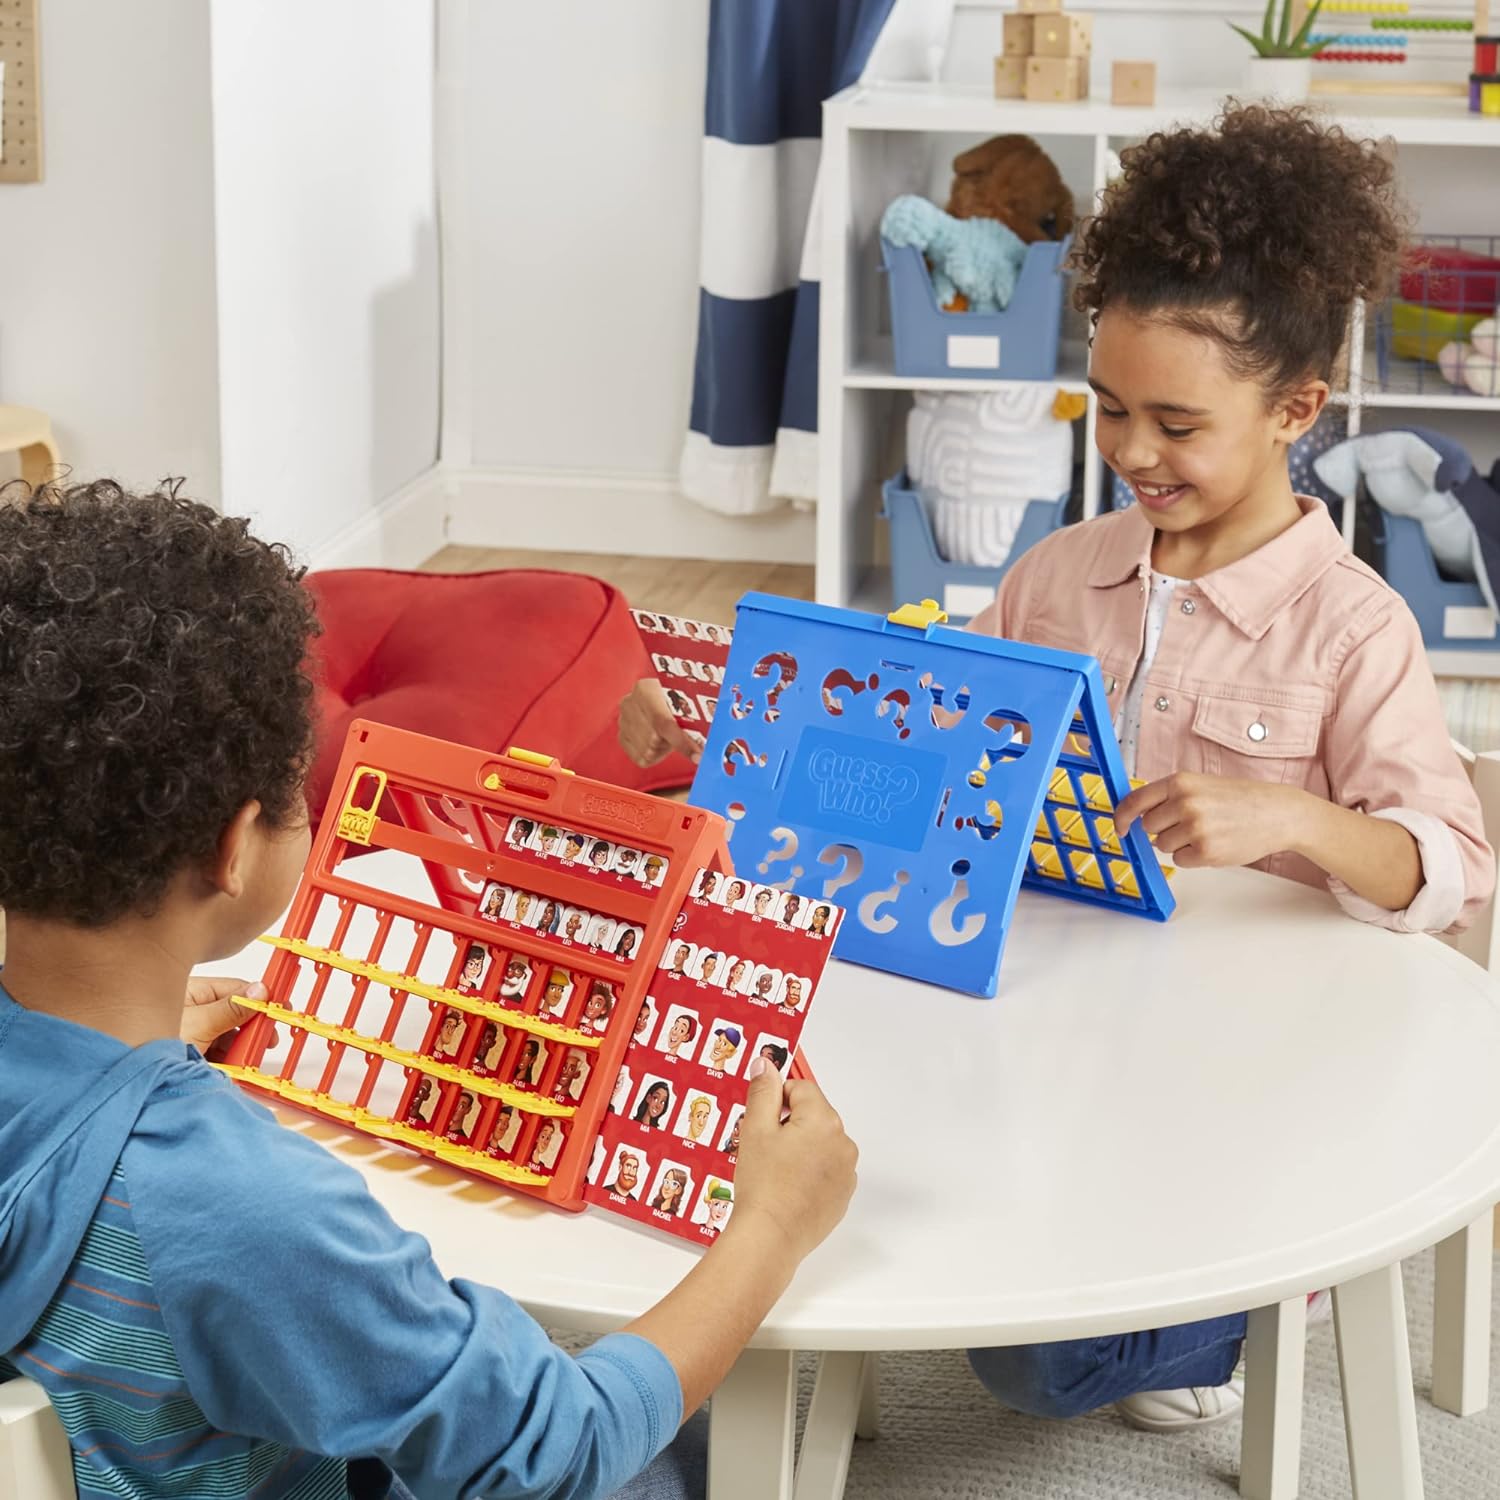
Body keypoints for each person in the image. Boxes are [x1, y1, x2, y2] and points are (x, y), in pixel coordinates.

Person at [0, 480, 858, 1500]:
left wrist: (138, 1062)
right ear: (236, 846)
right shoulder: (245, 1207)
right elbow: (559, 1448)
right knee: (677, 1457)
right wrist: (771, 1226)